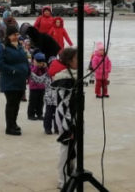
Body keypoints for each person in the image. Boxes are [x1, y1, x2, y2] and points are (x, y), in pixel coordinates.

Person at [50, 47, 78, 188]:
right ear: (68, 61)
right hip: (66, 118)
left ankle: (71, 173)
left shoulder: (74, 75)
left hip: (74, 116)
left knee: (74, 148)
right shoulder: (64, 78)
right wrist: (68, 125)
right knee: (66, 148)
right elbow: (65, 105)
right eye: (76, 58)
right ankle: (63, 180)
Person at [0, 26, 29, 136]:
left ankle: (14, 123)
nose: (17, 37)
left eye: (17, 34)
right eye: (14, 35)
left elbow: (25, 60)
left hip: (20, 79)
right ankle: (9, 127)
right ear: (8, 36)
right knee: (11, 103)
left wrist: (28, 72)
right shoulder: (2, 47)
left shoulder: (19, 46)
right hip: (9, 80)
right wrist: (12, 71)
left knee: (17, 103)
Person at [27, 53, 48, 121]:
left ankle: (39, 114)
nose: (40, 63)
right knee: (32, 102)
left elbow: (47, 74)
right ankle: (31, 114)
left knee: (40, 102)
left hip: (42, 87)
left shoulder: (44, 67)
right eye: (38, 61)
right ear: (34, 60)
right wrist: (36, 66)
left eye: (41, 61)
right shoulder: (32, 66)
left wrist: (44, 67)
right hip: (33, 88)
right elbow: (32, 73)